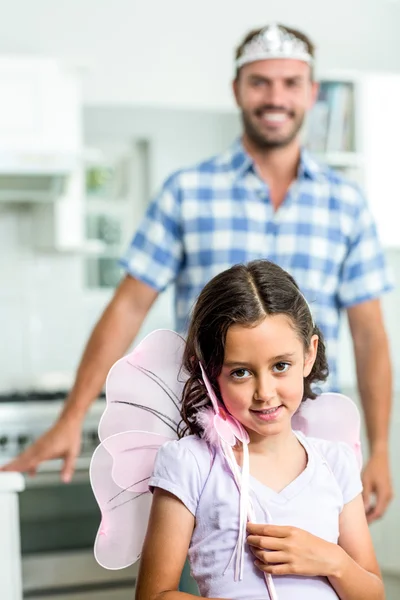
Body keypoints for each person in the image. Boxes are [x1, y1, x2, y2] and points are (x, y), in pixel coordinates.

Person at [2, 23, 393, 523]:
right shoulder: (186, 192)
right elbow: (127, 306)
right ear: (236, 90)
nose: (276, 97)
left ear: (312, 93)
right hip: (207, 451)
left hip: (309, 452)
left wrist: (379, 447)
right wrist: (71, 416)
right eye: (259, 82)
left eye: (291, 83)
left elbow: (370, 336)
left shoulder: (348, 205)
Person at [134, 259, 384, 600]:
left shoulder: (335, 463)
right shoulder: (189, 463)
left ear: (308, 355)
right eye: (240, 372)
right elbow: (153, 595)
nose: (264, 392)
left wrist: (333, 561)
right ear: (210, 371)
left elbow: (373, 593)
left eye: (281, 366)